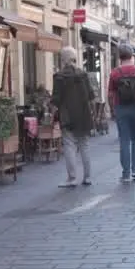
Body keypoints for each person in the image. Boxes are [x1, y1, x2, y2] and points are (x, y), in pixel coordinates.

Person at [52, 46, 95, 187]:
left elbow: (56, 100)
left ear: (63, 59)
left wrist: (52, 112)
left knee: (69, 146)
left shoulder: (59, 77)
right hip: (83, 114)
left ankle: (72, 178)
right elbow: (91, 96)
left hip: (67, 115)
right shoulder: (83, 75)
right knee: (85, 145)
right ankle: (87, 177)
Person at [107, 44, 135, 182]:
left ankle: (126, 173)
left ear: (119, 57)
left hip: (121, 108)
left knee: (124, 140)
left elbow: (110, 94)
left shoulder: (115, 73)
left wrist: (112, 109)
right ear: (132, 56)